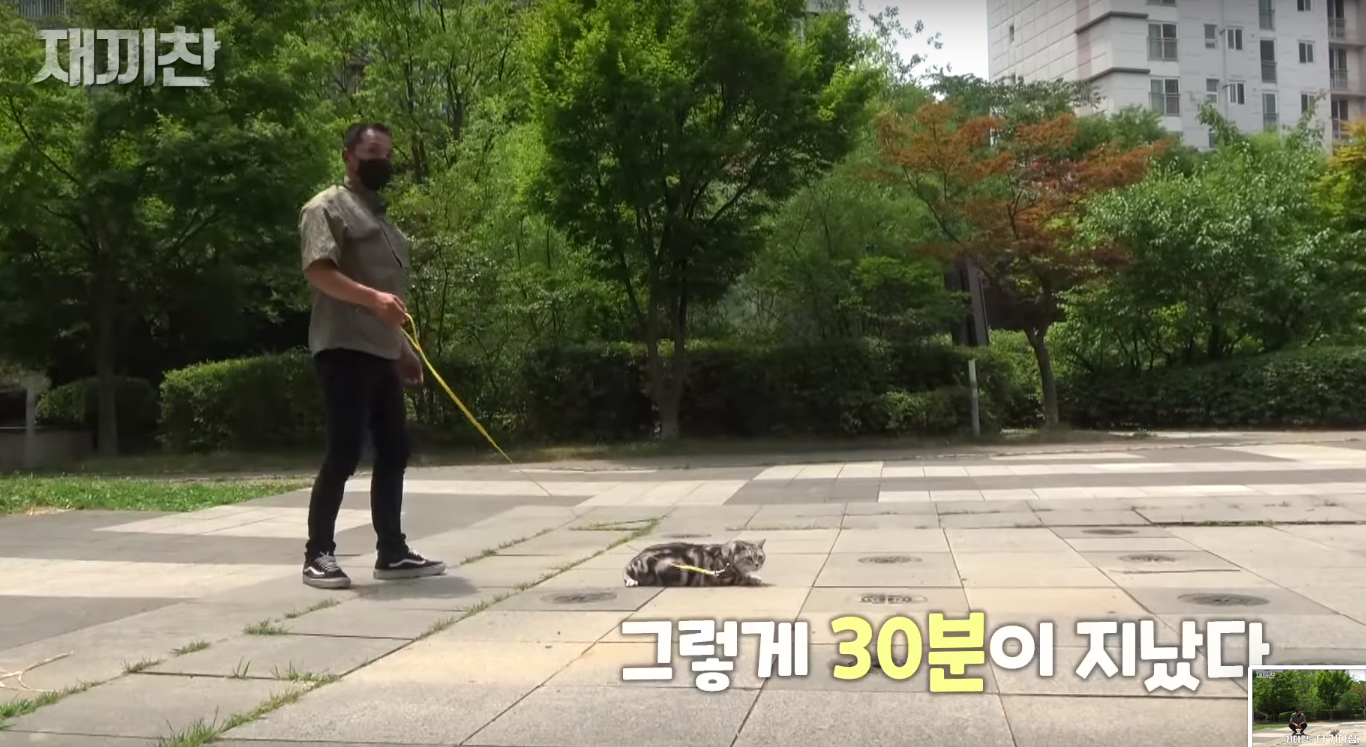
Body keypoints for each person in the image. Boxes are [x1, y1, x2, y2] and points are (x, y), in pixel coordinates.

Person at [296, 121, 445, 589]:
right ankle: (318, 554)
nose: (383, 162)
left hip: (381, 351)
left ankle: (393, 551)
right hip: (343, 347)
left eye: (387, 154)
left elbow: (388, 302)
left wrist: (402, 349)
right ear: (349, 157)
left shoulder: (386, 225)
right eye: (373, 153)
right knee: (343, 452)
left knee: (396, 450)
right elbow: (319, 273)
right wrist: (373, 300)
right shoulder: (325, 208)